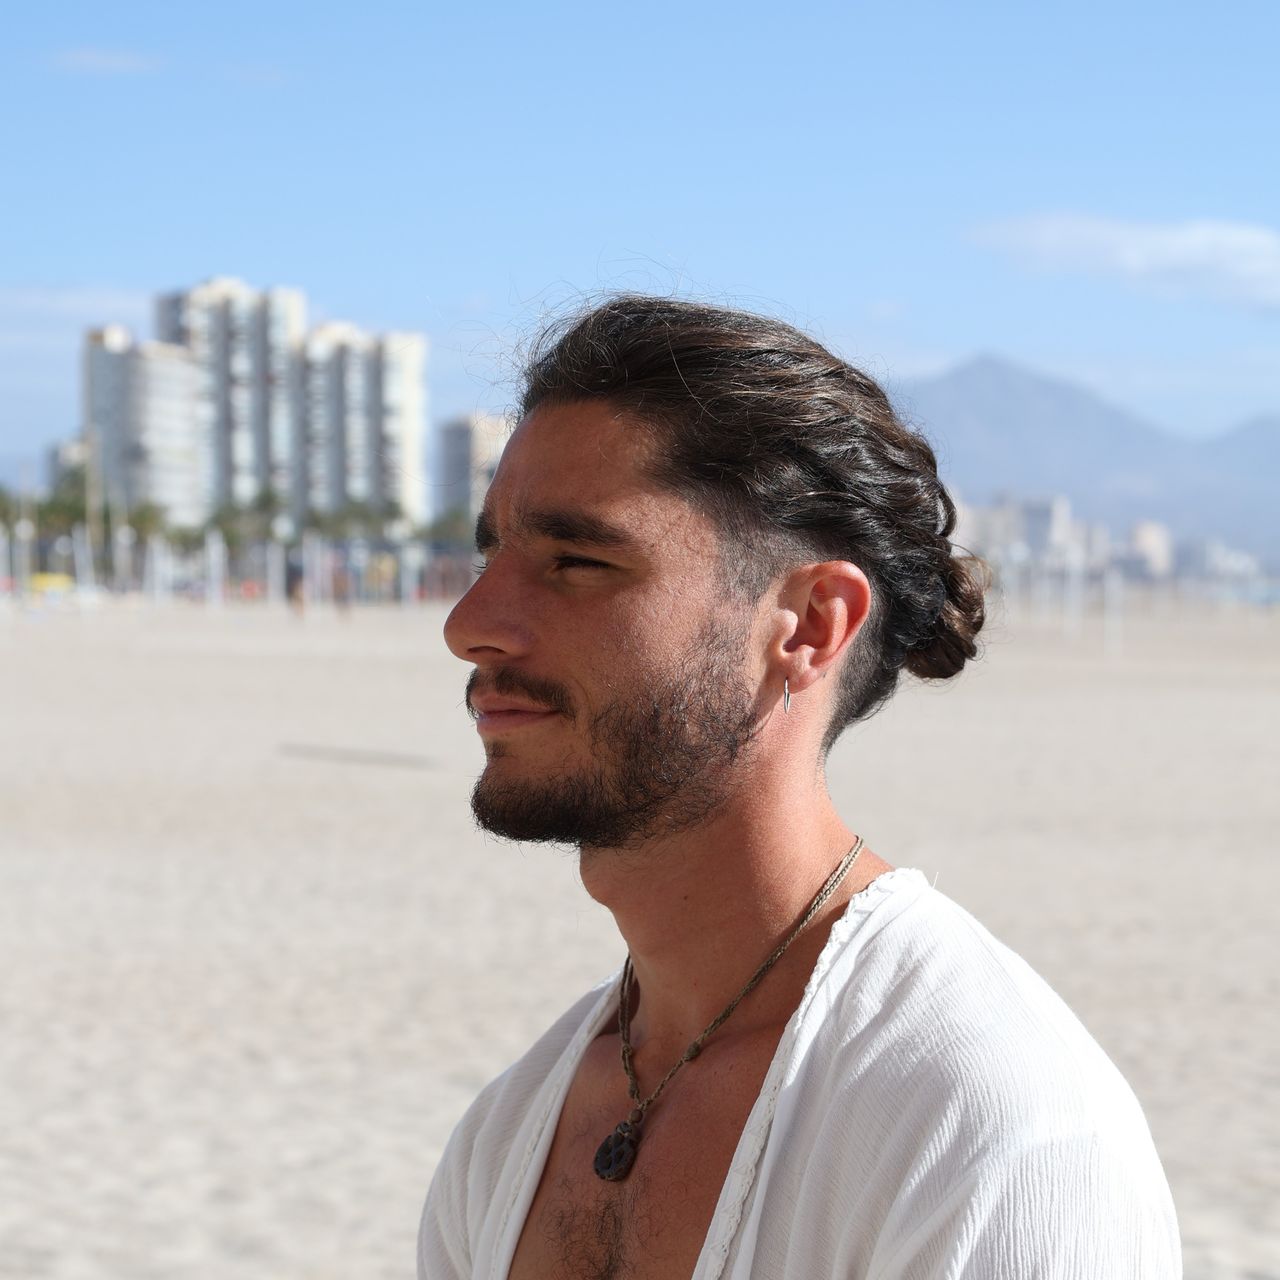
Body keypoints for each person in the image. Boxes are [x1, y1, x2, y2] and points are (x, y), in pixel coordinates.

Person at [420, 296, 1180, 1279]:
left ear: (811, 625)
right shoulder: (511, 1132)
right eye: (492, 553)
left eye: (577, 561)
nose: (470, 624)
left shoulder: (989, 1130)